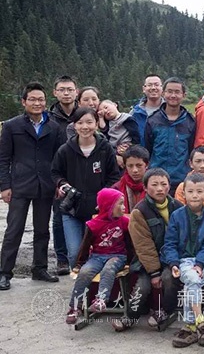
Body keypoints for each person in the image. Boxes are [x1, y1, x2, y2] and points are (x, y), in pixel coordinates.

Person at [0, 82, 66, 290]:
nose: (37, 103)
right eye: (32, 99)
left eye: (40, 100)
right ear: (24, 102)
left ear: (46, 102)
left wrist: (58, 183)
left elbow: (59, 159)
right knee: (14, 230)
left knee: (42, 230)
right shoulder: (11, 126)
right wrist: (4, 186)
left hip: (45, 185)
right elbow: (3, 158)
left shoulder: (54, 127)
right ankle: (4, 272)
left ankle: (39, 268)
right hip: (19, 185)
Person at [112, 168, 183, 332]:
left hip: (172, 259)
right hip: (147, 261)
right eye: (154, 184)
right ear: (145, 187)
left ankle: (165, 311)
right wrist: (154, 272)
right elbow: (143, 245)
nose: (160, 189)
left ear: (169, 186)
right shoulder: (140, 211)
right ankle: (129, 317)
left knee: (169, 278)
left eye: (163, 184)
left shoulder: (178, 207)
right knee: (143, 287)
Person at [51, 107, 121, 270]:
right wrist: (62, 184)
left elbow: (114, 176)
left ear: (96, 124)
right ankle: (80, 283)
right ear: (74, 125)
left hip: (98, 212)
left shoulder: (105, 149)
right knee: (75, 254)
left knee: (98, 253)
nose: (85, 127)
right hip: (72, 210)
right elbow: (55, 172)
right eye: (80, 123)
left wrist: (104, 197)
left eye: (89, 122)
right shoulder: (65, 150)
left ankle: (93, 284)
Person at [160, 173, 204, 348]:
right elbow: (169, 243)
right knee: (192, 278)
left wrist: (199, 264)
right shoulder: (176, 216)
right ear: (183, 193)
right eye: (190, 191)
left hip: (203, 263)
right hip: (182, 262)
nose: (195, 195)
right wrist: (174, 264)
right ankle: (200, 321)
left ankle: (191, 326)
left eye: (199, 191)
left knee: (192, 280)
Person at [65, 188, 131, 324]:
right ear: (109, 206)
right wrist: (80, 263)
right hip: (97, 256)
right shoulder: (93, 225)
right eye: (120, 204)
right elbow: (85, 245)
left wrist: (131, 260)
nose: (124, 207)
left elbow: (130, 243)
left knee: (108, 269)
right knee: (85, 272)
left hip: (118, 256)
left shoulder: (124, 222)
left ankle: (101, 300)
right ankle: (75, 307)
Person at [49, 75, 79, 275]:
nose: (66, 93)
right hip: (58, 175)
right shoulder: (49, 118)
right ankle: (61, 258)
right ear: (55, 93)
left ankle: (82, 256)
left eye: (70, 89)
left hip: (83, 172)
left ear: (76, 92)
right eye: (62, 89)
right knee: (59, 217)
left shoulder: (84, 114)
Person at [145, 77, 196, 196]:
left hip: (181, 180)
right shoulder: (153, 120)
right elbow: (148, 149)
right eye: (170, 91)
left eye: (177, 92)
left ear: (184, 95)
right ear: (163, 93)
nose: (173, 95)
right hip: (157, 181)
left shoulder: (190, 122)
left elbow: (191, 150)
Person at [111, 145, 148, 213]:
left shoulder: (154, 187)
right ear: (125, 166)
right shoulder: (116, 189)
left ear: (147, 165)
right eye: (130, 166)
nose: (135, 170)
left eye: (139, 165)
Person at [131, 74, 164, 143]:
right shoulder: (135, 113)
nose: (153, 88)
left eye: (156, 85)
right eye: (149, 85)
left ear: (162, 88)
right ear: (144, 89)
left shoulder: (170, 111)